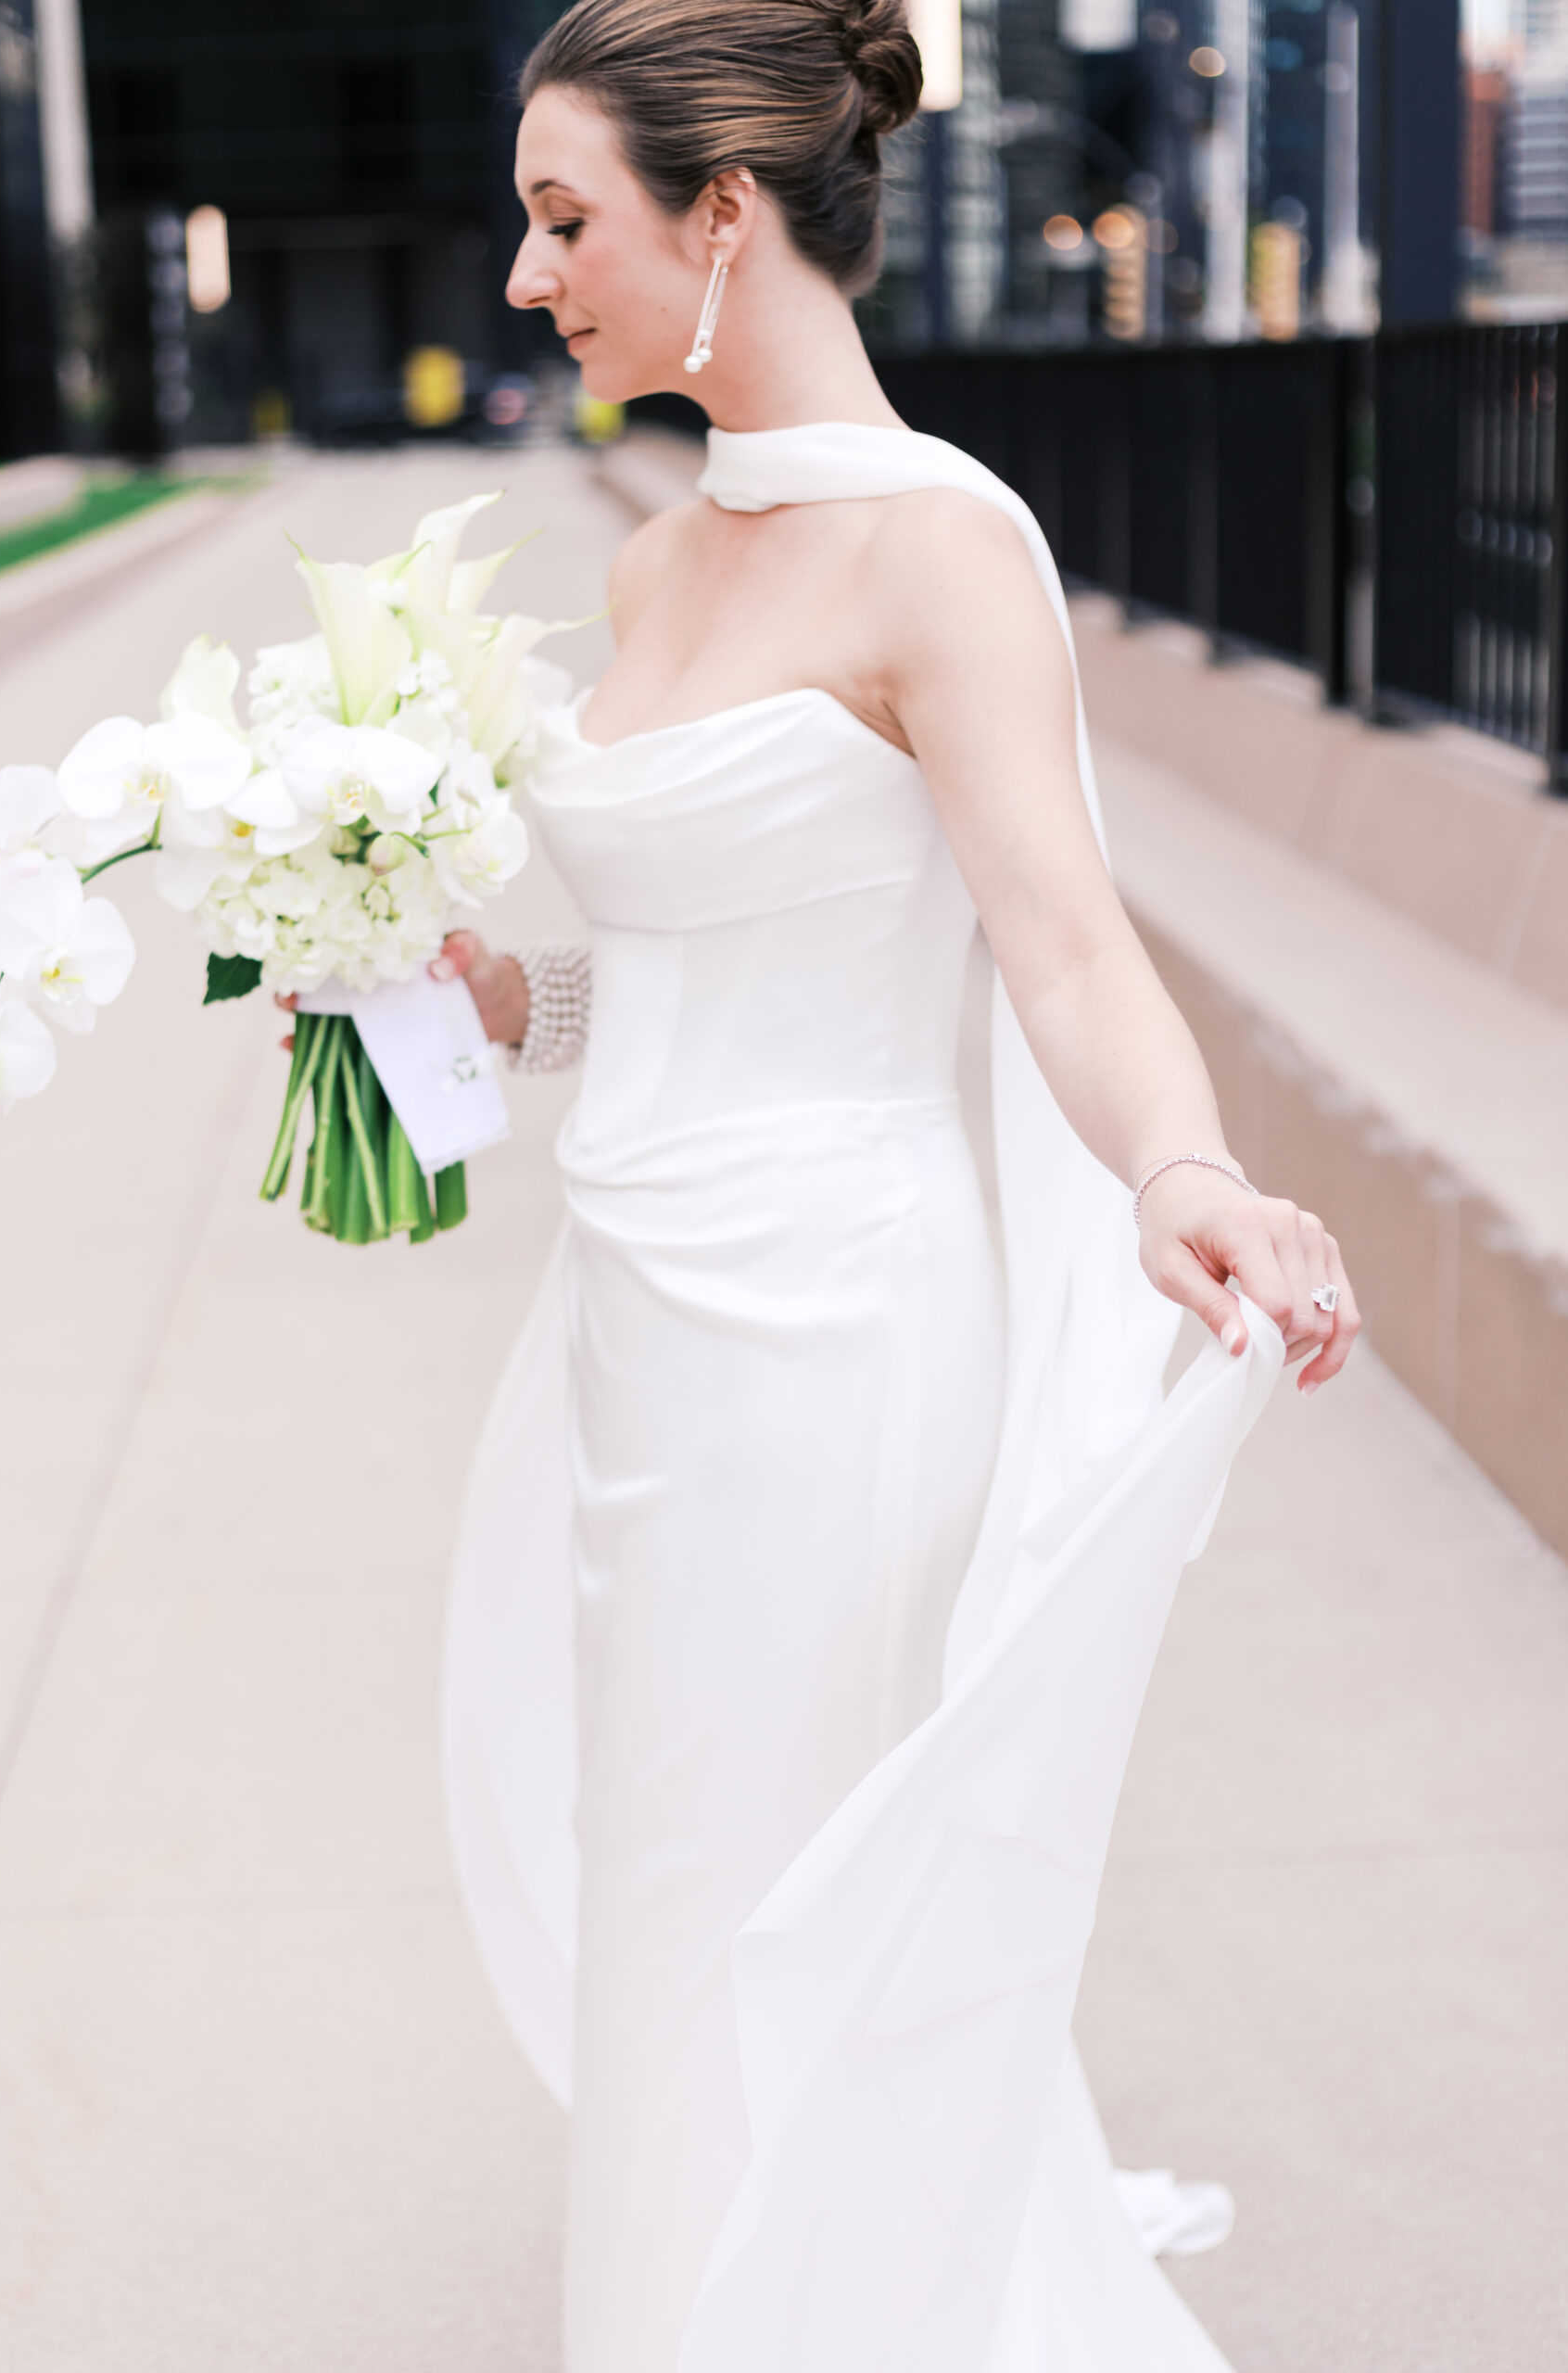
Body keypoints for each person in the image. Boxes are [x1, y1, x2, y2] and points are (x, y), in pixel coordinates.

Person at [434, 4, 1360, 2367]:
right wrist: (476, 1002)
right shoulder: (660, 573)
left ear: (720, 212)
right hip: (636, 1324)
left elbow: (1055, 938)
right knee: (668, 1875)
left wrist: (1177, 1164)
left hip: (831, 1333)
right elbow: (662, 981)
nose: (528, 277)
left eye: (568, 219)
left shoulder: (948, 547)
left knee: (786, 1870)